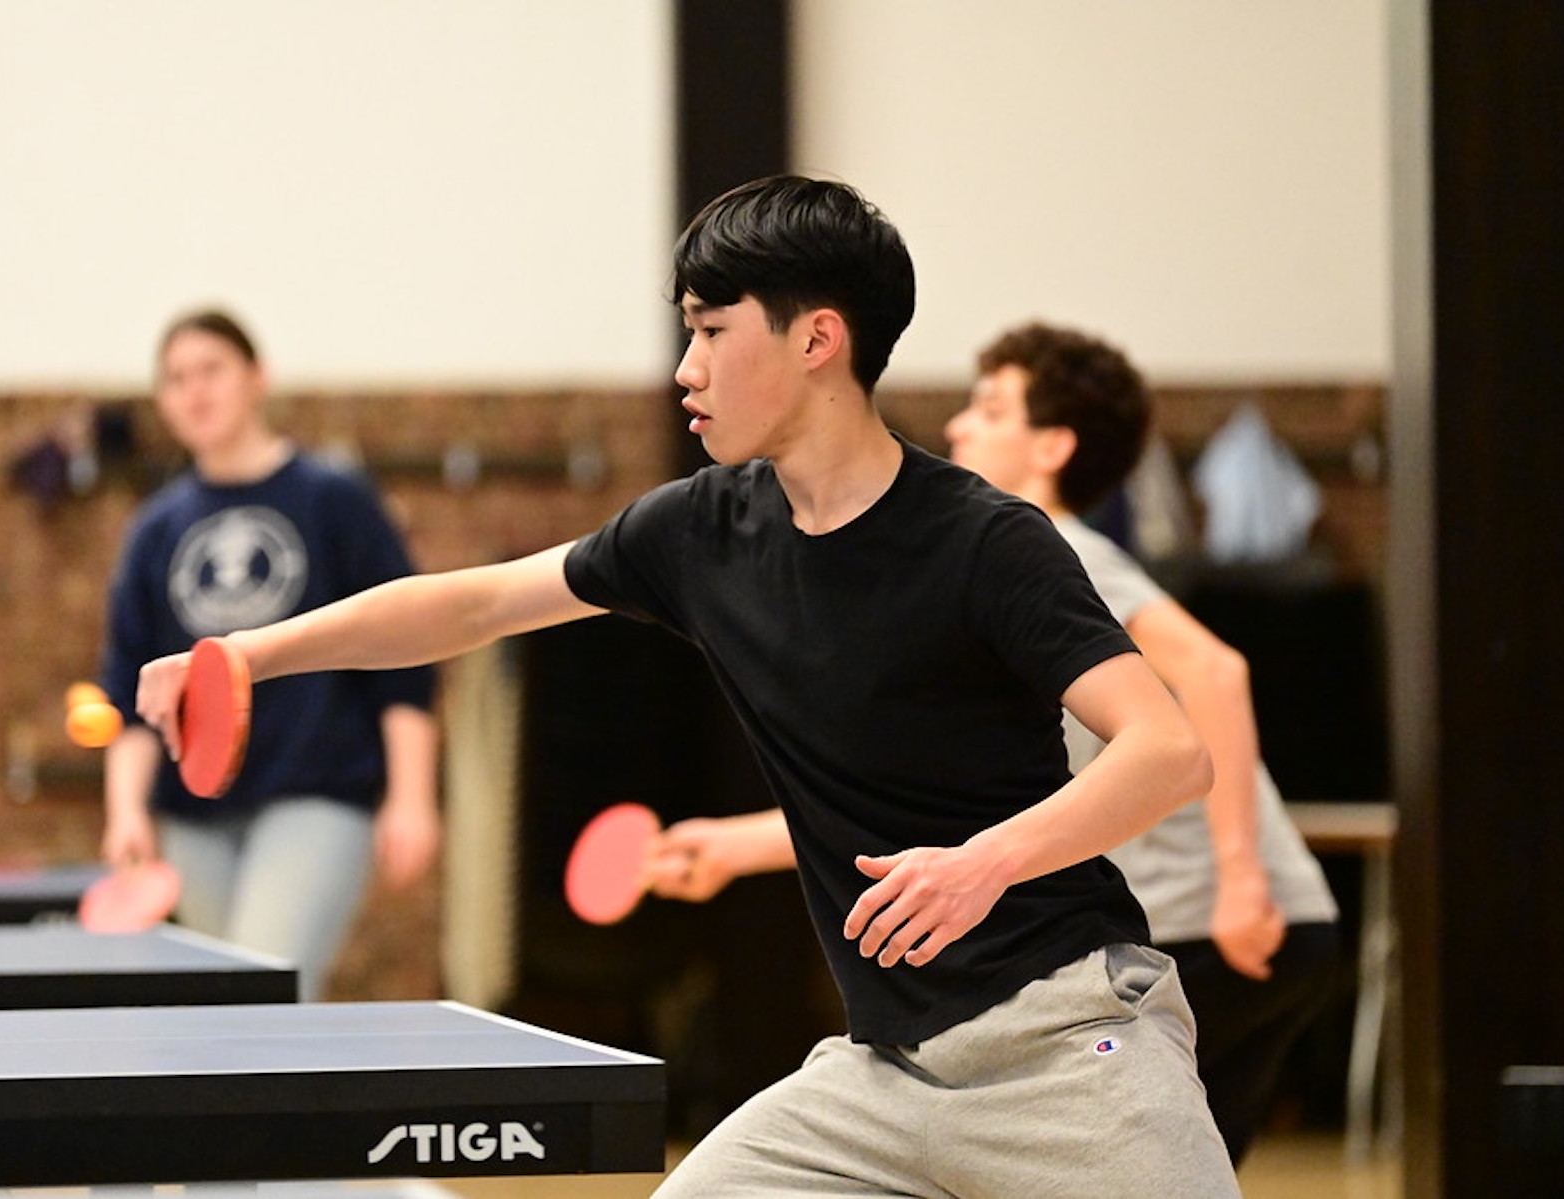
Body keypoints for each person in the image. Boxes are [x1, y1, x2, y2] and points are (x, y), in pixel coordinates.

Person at [134, 178, 1239, 1195]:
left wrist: (984, 863)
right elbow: (471, 603)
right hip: (887, 1072)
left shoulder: (990, 543)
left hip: (1072, 1045)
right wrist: (246, 655)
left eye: (712, 330)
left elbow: (1165, 748)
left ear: (817, 338)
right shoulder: (703, 530)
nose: (686, 367)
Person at [648, 318, 1341, 1165]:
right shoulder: (970, 566)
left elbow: (1218, 674)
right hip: (1215, 921)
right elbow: (923, 817)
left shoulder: (1050, 545)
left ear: (1052, 445)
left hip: (1211, 924)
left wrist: (1242, 878)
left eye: (990, 409)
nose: (957, 428)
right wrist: (732, 845)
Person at [98, 307, 442, 1003]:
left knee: (266, 986)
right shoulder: (156, 527)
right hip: (193, 811)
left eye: (211, 371)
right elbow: (130, 689)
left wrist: (412, 796)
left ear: (258, 378)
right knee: (234, 1014)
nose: (195, 391)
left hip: (317, 789)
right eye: (176, 379)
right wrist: (124, 809)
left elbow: (407, 656)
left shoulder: (332, 497)